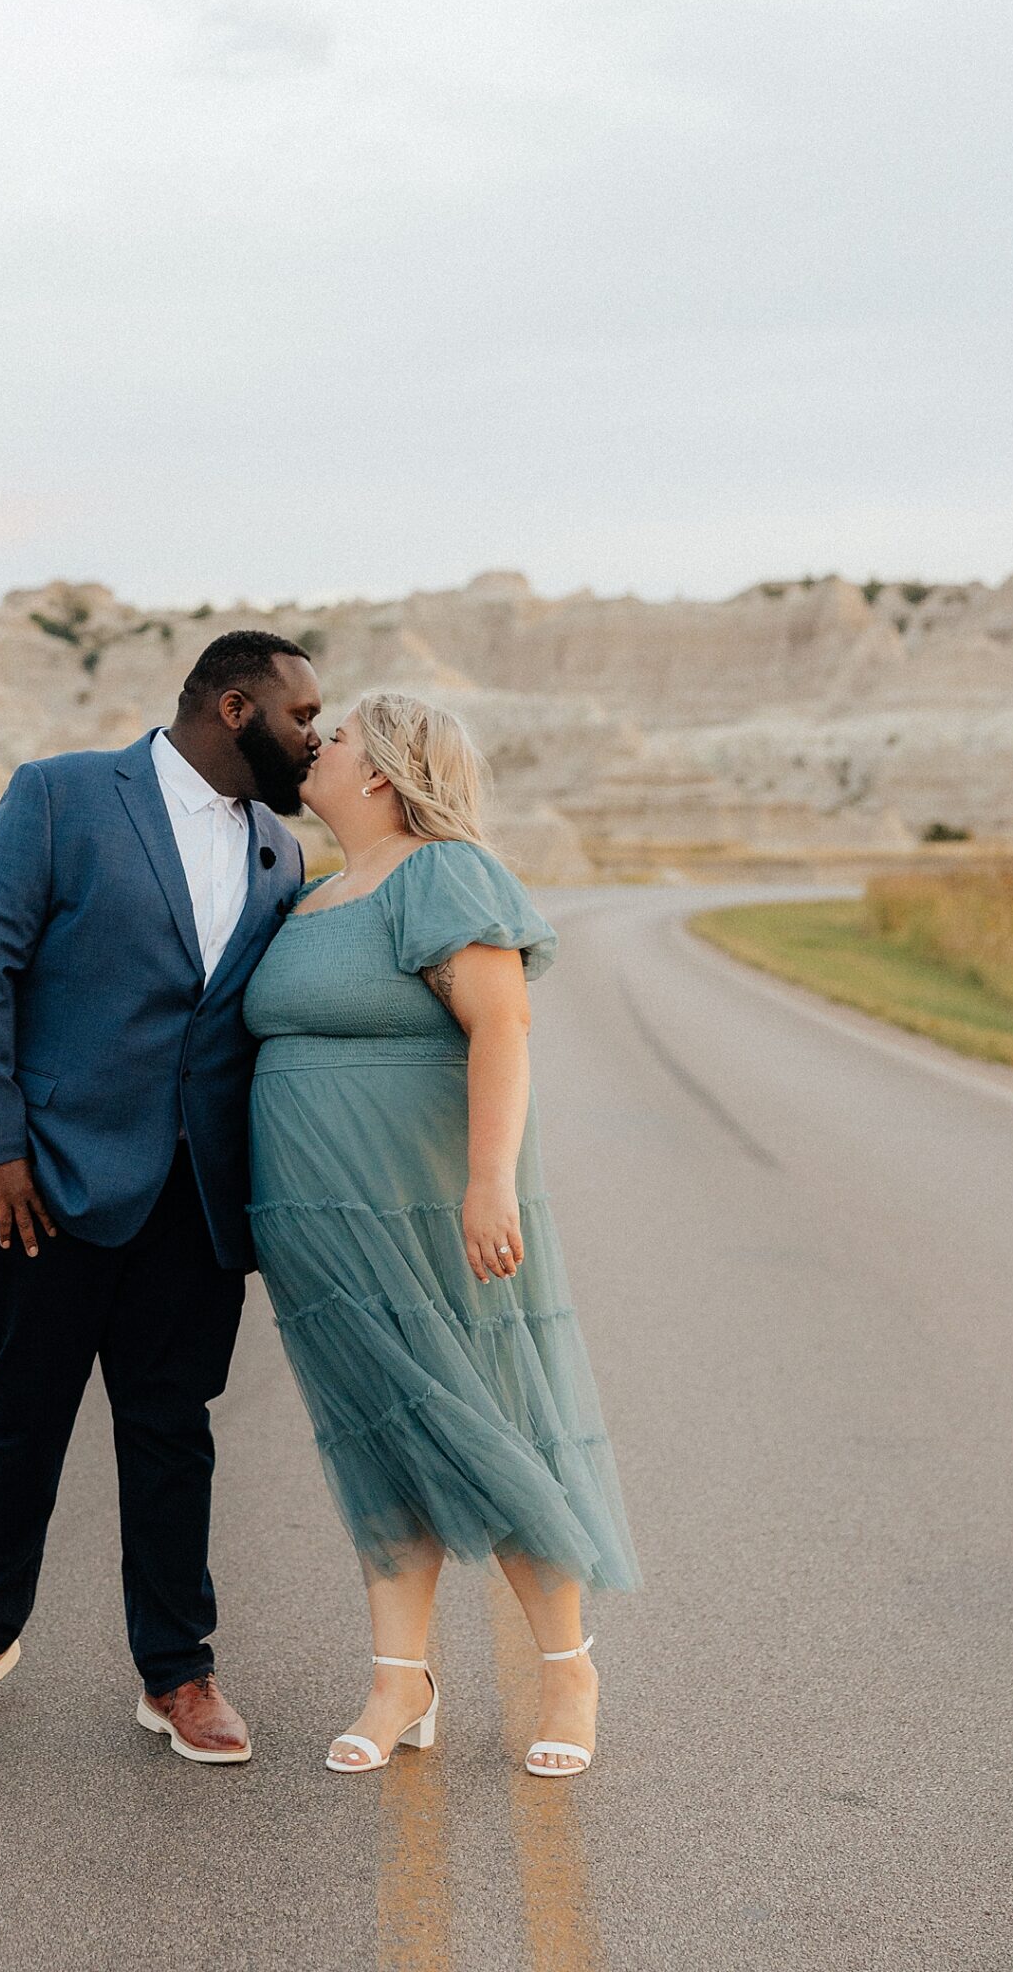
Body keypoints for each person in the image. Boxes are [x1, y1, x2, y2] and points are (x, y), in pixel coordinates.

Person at [0, 632, 321, 1762]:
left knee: (172, 1431)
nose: (314, 736)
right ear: (235, 708)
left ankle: (178, 1672)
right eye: (300, 715)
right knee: (22, 1413)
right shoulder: (64, 795)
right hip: (43, 1184)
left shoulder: (282, 852)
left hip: (196, 1205)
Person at [244, 691, 639, 1778]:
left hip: (430, 1206)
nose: (309, 749)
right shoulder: (315, 894)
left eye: (331, 740)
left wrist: (488, 1182)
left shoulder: (444, 872)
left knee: (486, 1420)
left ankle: (565, 1665)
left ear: (380, 772)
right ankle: (397, 1680)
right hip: (317, 1228)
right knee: (375, 1433)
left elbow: (502, 1021)